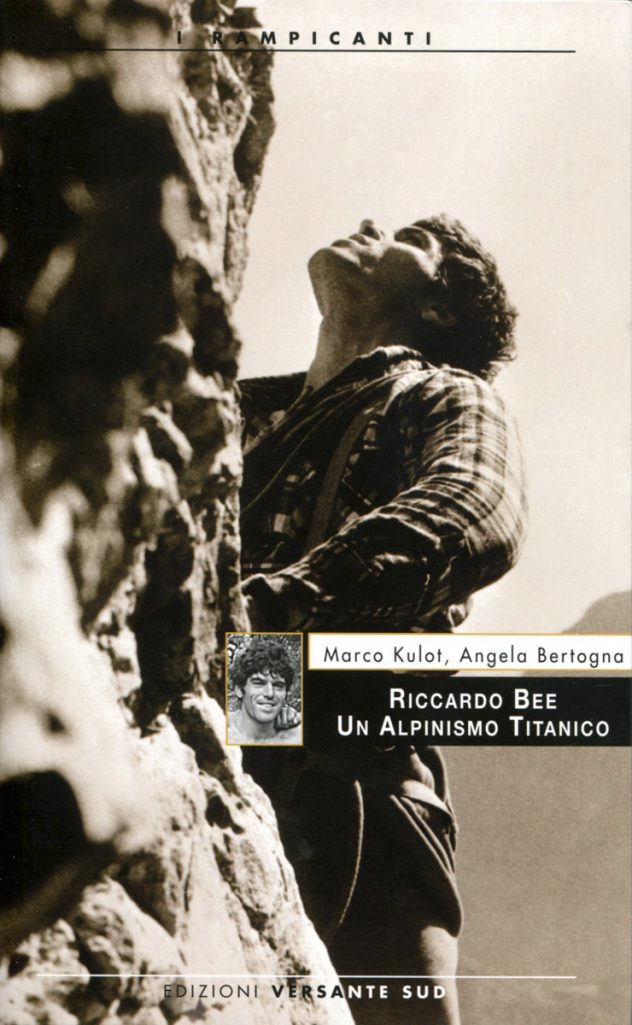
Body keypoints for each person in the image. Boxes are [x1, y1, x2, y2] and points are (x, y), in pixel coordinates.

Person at [238, 215, 527, 1025]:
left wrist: (272, 603)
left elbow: (472, 508)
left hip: (356, 781)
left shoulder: (440, 393)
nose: (366, 224)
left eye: (409, 235)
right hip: (236, 742)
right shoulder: (231, 414)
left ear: (439, 307)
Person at [227, 637, 302, 744]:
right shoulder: (218, 730)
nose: (269, 693)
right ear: (238, 689)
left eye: (278, 685)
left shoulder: (297, 736)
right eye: (258, 683)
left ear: (286, 693)